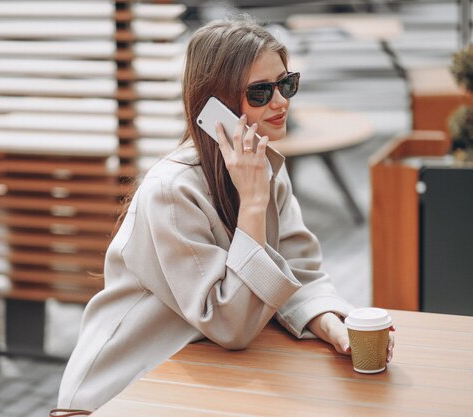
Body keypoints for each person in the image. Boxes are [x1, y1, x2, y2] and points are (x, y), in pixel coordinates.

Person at [57, 17, 395, 412]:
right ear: (214, 106)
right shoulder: (172, 191)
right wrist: (252, 206)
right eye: (260, 92)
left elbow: (299, 272)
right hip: (120, 391)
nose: (281, 102)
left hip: (196, 374)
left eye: (286, 84)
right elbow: (231, 323)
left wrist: (331, 323)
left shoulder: (263, 170)